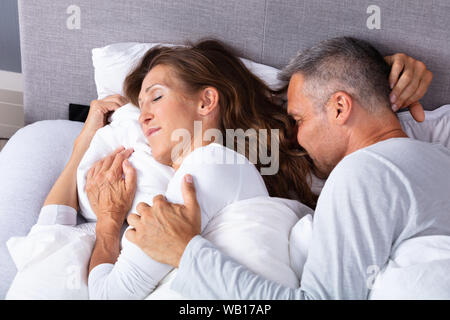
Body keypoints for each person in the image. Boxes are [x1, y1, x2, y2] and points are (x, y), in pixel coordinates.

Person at [40, 38, 433, 299]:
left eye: (155, 98)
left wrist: (157, 242)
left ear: (206, 100)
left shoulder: (356, 174)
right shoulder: (434, 158)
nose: (295, 135)